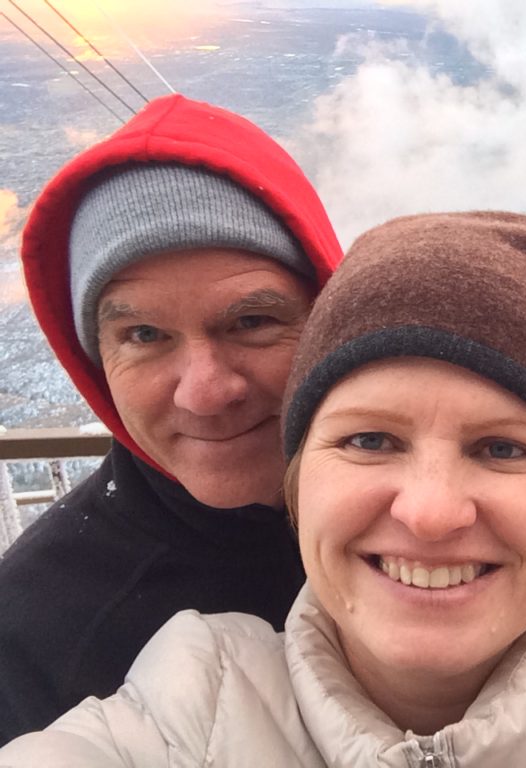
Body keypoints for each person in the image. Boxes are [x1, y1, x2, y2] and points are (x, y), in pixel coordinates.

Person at [0, 212, 526, 767]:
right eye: (371, 440)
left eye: (504, 449)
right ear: (297, 485)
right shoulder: (186, 711)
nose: (433, 511)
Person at [0, 94, 343, 743]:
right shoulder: (37, 636)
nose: (205, 392)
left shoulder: (437, 516)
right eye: (144, 335)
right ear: (94, 362)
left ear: (330, 320)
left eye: (252, 321)